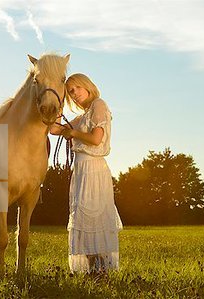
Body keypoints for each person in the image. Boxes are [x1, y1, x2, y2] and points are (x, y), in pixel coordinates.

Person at [50, 73, 123, 275]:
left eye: (76, 89)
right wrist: (59, 102)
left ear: (87, 86)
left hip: (93, 169)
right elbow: (54, 130)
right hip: (81, 171)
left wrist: (73, 133)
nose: (74, 94)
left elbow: (96, 139)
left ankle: (102, 270)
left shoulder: (98, 105)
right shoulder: (82, 117)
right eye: (70, 92)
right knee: (83, 217)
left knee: (94, 217)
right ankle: (93, 270)